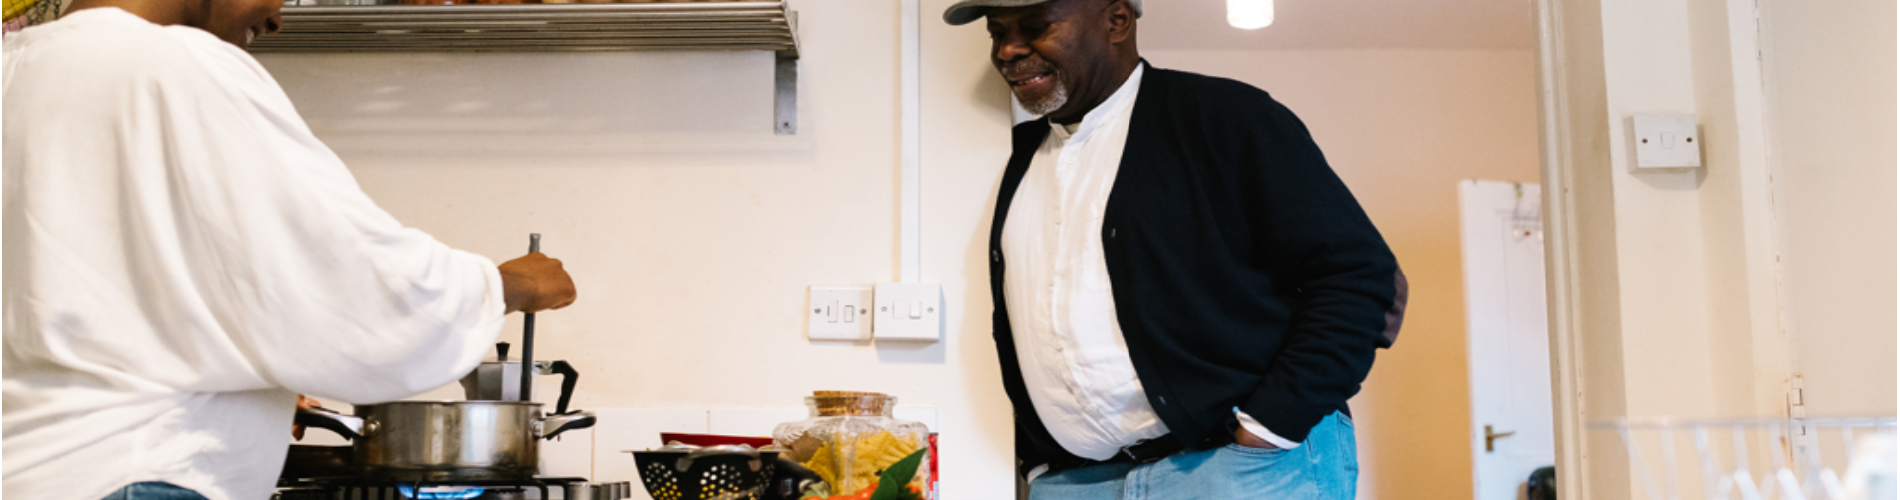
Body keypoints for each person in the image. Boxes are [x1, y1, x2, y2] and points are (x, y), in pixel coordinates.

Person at [0, 0, 578, 498]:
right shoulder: (176, 63)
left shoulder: (15, 70)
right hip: (136, 472)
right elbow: (347, 277)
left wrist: (252, 387)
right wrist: (505, 285)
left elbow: (91, 288)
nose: (278, 16)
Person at [944, 0, 1409, 497]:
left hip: (1239, 469)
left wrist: (1271, 425)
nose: (1009, 50)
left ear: (1116, 20)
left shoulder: (1226, 117)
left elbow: (1361, 279)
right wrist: (1041, 463)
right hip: (1076, 481)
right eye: (998, 32)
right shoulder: (1018, 155)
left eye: (1035, 26)